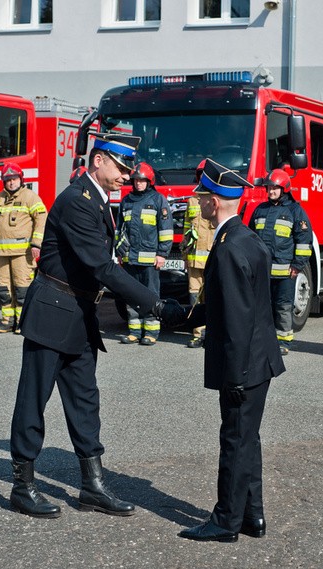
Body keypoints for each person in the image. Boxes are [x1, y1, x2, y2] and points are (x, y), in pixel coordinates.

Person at [8, 133, 184, 519]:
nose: (127, 175)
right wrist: (153, 303)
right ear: (99, 160)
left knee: (85, 400)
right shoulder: (77, 201)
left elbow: (103, 268)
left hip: (79, 313)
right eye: (121, 168)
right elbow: (102, 267)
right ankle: (22, 486)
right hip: (55, 309)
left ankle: (92, 486)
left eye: (129, 169)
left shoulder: (99, 202)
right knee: (33, 400)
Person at [179, 159, 286, 543]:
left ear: (216, 202)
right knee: (248, 438)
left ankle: (226, 521)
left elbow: (237, 319)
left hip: (244, 364)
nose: (199, 203)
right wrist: (183, 316)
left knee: (235, 440)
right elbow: (234, 305)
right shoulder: (246, 238)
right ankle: (251, 516)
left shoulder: (226, 248)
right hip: (260, 360)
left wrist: (235, 375)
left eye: (203, 197)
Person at [248, 168, 313, 356]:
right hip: (263, 271)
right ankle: (263, 340)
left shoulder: (295, 211)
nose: (271, 192)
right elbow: (251, 237)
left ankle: (283, 341)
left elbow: (303, 240)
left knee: (283, 306)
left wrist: (297, 265)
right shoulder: (260, 210)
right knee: (262, 306)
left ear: (284, 188)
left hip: (286, 271)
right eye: (269, 188)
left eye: (275, 188)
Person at [0, 163, 47, 333]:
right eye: (7, 180)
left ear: (21, 179)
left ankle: (22, 322)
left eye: (14, 179)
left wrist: (36, 244)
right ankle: (7, 321)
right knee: (3, 288)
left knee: (22, 288)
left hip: (23, 254)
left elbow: (41, 219)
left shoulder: (30, 197)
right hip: (2, 253)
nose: (11, 182)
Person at [115, 162, 173, 346]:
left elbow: (165, 230)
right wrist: (118, 251)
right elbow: (119, 229)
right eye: (136, 180)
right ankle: (134, 331)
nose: (138, 183)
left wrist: (162, 254)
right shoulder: (127, 201)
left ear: (150, 181)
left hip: (150, 261)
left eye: (142, 180)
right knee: (131, 295)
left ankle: (151, 332)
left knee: (150, 295)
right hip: (129, 259)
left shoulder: (158, 200)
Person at [180, 159, 214, 348]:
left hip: (211, 258)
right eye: (200, 174)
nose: (202, 177)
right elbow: (187, 229)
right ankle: (197, 333)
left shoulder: (216, 199)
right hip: (193, 259)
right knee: (194, 295)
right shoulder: (192, 200)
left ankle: (211, 332)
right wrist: (184, 255)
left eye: (205, 174)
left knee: (211, 296)